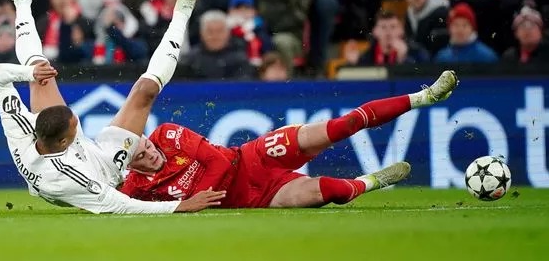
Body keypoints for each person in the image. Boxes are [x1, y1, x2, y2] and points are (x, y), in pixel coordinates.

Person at [0, 0, 224, 213]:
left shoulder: (19, 129)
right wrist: (179, 206)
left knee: (41, 74)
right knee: (145, 92)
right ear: (66, 140)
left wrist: (30, 72)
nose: (79, 125)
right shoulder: (68, 179)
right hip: (105, 170)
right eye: (75, 125)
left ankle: (22, 0)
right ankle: (184, 12)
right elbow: (119, 205)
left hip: (68, 153)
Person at [121, 70, 458, 208]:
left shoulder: (166, 134)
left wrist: (194, 200)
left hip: (252, 157)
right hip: (260, 197)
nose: (150, 154)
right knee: (329, 191)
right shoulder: (136, 187)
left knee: (343, 125)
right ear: (130, 164)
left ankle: (425, 96)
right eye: (141, 157)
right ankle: (371, 181)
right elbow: (107, 202)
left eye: (147, 146)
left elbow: (219, 161)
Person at [434, 3, 499, 63]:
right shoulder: (442, 57)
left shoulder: (487, 57)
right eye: (456, 25)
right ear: (449, 28)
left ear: (472, 28)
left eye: (465, 25)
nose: (460, 30)